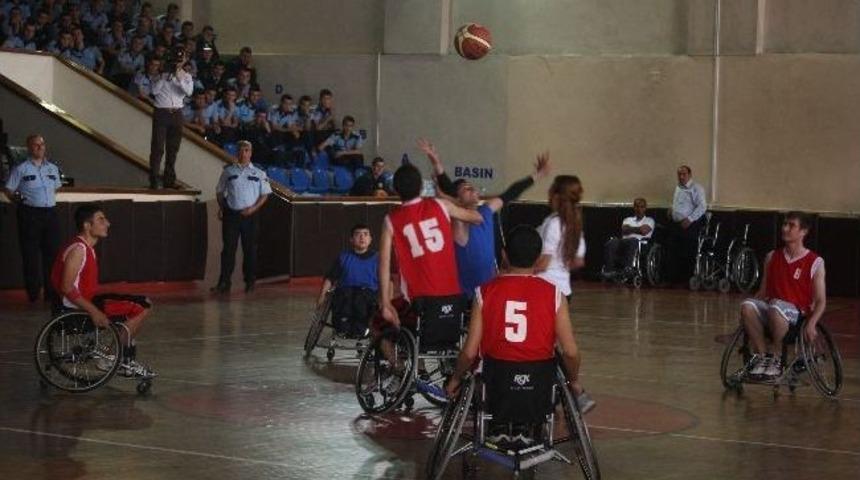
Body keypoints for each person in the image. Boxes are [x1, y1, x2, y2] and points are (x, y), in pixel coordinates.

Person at [445, 226, 594, 412]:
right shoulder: (556, 294)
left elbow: (469, 353)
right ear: (539, 258)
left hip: (496, 382)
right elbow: (570, 353)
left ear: (504, 255)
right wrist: (573, 381)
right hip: (538, 383)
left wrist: (456, 379)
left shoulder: (483, 292)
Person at [418, 138, 551, 299]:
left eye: (471, 186)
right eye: (466, 189)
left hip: (489, 292)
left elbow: (511, 193)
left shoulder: (486, 210)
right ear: (457, 199)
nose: (472, 188)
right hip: (468, 297)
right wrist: (437, 164)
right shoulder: (459, 220)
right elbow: (448, 190)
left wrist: (537, 175)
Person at [375, 162, 483, 352]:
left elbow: (383, 266)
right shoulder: (441, 205)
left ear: (396, 190)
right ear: (420, 187)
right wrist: (454, 200)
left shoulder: (391, 220)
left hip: (420, 303)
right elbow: (477, 218)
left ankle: (399, 369)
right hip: (453, 300)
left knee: (377, 323)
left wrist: (385, 302)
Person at [50, 203, 155, 377]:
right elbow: (66, 287)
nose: (108, 223)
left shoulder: (84, 247)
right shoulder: (79, 250)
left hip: (85, 301)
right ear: (87, 225)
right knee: (142, 307)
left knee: (144, 301)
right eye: (101, 219)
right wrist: (94, 312)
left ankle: (108, 352)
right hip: (77, 308)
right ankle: (112, 358)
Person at [740, 211, 826, 378]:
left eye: (791, 225)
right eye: (784, 224)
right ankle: (762, 356)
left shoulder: (815, 262)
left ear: (803, 231)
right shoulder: (771, 257)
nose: (785, 228)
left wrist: (812, 323)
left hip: (797, 316)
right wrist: (745, 316)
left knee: (776, 306)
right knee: (747, 305)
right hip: (773, 309)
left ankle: (777, 358)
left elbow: (821, 300)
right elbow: (763, 291)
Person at [3, 134, 62, 303]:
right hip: (29, 214)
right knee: (30, 255)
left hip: (50, 214)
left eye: (42, 144)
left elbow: (56, 188)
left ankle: (51, 293)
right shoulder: (21, 168)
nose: (40, 147)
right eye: (36, 145)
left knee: (52, 254)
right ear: (29, 147)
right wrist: (18, 200)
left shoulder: (52, 168)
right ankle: (33, 294)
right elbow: (9, 190)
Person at [213, 141, 272, 294]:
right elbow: (219, 191)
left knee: (250, 250)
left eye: (246, 150)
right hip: (231, 215)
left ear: (251, 153)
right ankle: (224, 283)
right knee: (228, 250)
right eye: (240, 150)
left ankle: (250, 282)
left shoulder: (259, 173)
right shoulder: (228, 171)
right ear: (237, 152)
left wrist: (253, 209)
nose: (243, 153)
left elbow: (265, 195)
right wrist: (222, 207)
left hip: (250, 216)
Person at [318, 224, 379, 337]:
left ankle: (361, 329)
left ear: (370, 239)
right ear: (351, 239)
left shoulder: (377, 258)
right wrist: (322, 296)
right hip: (346, 293)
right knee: (343, 298)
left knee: (361, 299)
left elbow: (388, 281)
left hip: (368, 294)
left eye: (365, 234)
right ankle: (343, 327)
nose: (362, 237)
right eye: (358, 234)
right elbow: (330, 278)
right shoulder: (343, 257)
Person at [148, 45, 193, 189]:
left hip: (177, 113)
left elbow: (189, 92)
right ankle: (154, 178)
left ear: (185, 60)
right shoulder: (160, 74)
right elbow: (154, 91)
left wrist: (179, 77)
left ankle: (169, 179)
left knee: (173, 148)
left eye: (181, 58)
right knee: (158, 147)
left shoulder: (186, 76)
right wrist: (164, 76)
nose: (178, 61)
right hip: (162, 112)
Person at [535, 175, 586, 299]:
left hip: (545, 289)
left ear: (556, 196)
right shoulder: (575, 223)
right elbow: (578, 261)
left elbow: (543, 264)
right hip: (564, 290)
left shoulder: (553, 223)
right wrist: (560, 266)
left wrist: (516, 271)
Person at [669, 165, 707, 282]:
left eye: (684, 174)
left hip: (689, 225)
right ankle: (675, 279)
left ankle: (687, 280)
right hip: (676, 224)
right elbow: (680, 204)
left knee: (688, 253)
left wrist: (690, 219)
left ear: (690, 175)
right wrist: (671, 210)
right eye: (679, 174)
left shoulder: (696, 188)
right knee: (675, 252)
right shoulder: (678, 187)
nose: (681, 176)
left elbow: (702, 207)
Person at [602, 197, 655, 278]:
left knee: (633, 240)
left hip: (641, 245)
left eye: (641, 207)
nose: (639, 209)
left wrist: (630, 229)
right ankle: (609, 270)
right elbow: (624, 230)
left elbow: (644, 231)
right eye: (637, 206)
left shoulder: (649, 220)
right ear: (634, 207)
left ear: (645, 208)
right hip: (624, 242)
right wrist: (638, 229)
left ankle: (628, 268)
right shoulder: (627, 219)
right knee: (612, 241)